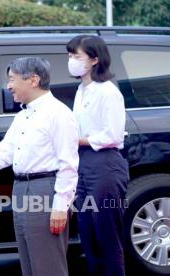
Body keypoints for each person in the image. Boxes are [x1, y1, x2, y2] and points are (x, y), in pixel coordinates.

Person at [0, 57, 79, 276]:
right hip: (21, 188)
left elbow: (68, 165)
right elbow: (3, 155)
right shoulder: (23, 116)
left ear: (33, 80)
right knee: (30, 264)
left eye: (12, 80)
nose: (9, 86)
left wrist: (60, 207)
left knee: (48, 265)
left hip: (45, 190)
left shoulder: (59, 114)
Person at [67, 35, 129, 275]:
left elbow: (113, 135)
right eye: (70, 56)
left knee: (106, 232)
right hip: (83, 163)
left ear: (94, 59)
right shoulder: (81, 90)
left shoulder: (107, 92)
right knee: (87, 231)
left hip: (104, 164)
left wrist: (77, 140)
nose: (71, 60)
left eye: (76, 56)